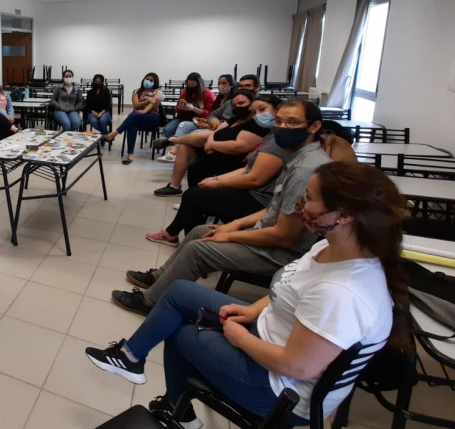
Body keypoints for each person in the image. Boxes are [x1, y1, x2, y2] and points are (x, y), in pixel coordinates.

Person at [86, 162, 405, 429]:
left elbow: (297, 366)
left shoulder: (343, 293)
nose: (302, 205)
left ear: (344, 215)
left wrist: (239, 338)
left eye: (310, 199)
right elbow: (293, 289)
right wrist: (252, 310)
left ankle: (176, 409)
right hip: (272, 336)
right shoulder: (333, 246)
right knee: (180, 293)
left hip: (279, 391)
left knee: (181, 332)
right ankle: (131, 358)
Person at [114, 99, 332, 315]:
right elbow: (275, 209)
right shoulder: (297, 157)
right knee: (202, 231)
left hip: (278, 253)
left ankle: (149, 301)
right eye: (280, 121)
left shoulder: (305, 170)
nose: (282, 128)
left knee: (198, 248)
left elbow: (284, 237)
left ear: (314, 126)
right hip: (267, 234)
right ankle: (160, 277)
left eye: (292, 123)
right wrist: (234, 225)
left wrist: (230, 235)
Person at [146, 108, 285, 246]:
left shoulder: (276, 144)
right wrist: (217, 180)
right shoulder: (271, 136)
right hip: (240, 174)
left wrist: (219, 182)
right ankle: (178, 235)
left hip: (258, 198)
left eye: (262, 109)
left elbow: (254, 178)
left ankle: (192, 243)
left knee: (193, 195)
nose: (257, 113)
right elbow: (247, 169)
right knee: (195, 179)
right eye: (255, 110)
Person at [153, 93, 277, 197]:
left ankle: (173, 141)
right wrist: (211, 142)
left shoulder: (257, 125)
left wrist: (212, 145)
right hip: (214, 147)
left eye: (241, 103)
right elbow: (215, 130)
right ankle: (175, 186)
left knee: (196, 165)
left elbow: (239, 146)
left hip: (230, 157)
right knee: (186, 147)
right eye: (234, 105)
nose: (237, 106)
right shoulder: (236, 119)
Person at [104, 72, 163, 164]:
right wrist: (147, 100)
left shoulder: (158, 92)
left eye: (151, 80)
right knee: (132, 125)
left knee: (134, 115)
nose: (148, 81)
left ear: (155, 82)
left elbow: (153, 104)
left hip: (153, 118)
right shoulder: (136, 91)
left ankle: (115, 133)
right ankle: (129, 156)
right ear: (143, 79)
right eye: (147, 79)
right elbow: (136, 105)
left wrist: (144, 111)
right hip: (137, 118)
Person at [157, 73, 216, 162]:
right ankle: (180, 143)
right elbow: (177, 108)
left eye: (193, 85)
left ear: (199, 84)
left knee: (183, 127)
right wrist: (181, 108)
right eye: (189, 85)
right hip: (183, 117)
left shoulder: (208, 94)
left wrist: (194, 109)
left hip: (199, 120)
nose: (191, 87)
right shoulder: (185, 92)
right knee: (167, 130)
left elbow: (210, 113)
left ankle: (176, 151)